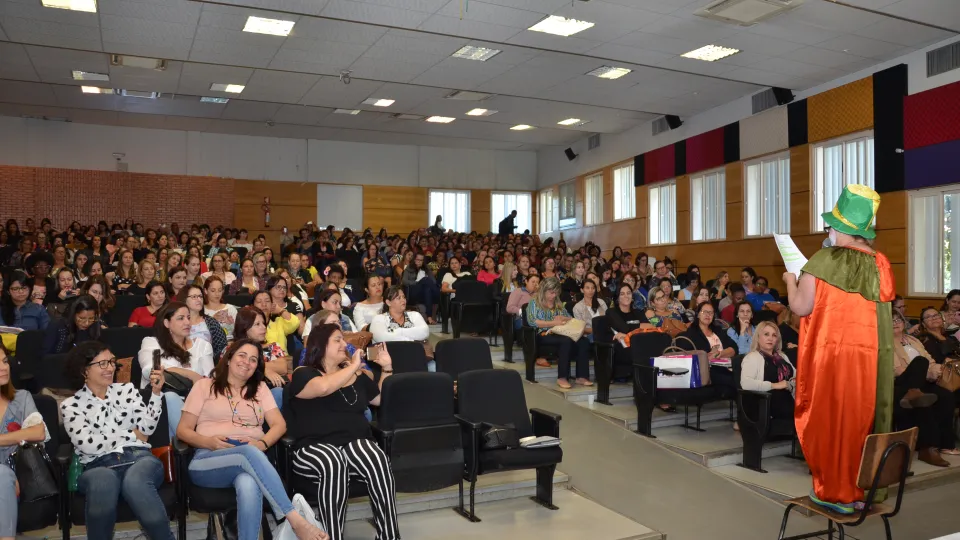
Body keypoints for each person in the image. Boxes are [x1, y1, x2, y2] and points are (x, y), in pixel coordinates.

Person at [783, 185, 895, 514]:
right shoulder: (880, 263)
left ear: (839, 227)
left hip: (832, 358)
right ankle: (861, 490)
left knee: (831, 422)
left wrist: (790, 280)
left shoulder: (824, 260)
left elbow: (801, 307)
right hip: (869, 361)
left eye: (829, 225)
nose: (827, 231)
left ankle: (835, 492)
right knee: (861, 422)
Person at [175, 339, 328, 540]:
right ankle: (295, 520)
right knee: (248, 453)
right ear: (228, 358)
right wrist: (209, 442)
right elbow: (183, 430)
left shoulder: (260, 389)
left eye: (253, 359)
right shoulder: (204, 386)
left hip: (250, 457)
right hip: (208, 458)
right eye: (242, 355)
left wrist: (262, 444)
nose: (247, 362)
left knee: (248, 483)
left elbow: (279, 424)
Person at [287, 324, 399, 540]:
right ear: (321, 345)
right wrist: (354, 366)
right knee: (333, 460)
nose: (344, 344)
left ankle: (389, 536)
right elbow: (323, 388)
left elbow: (380, 399)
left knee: (376, 456)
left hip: (352, 444)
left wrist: (386, 369)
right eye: (337, 340)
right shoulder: (304, 373)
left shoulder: (356, 375)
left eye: (343, 340)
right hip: (312, 447)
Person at [61, 341, 173, 540]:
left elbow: (145, 430)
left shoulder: (127, 390)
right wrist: (130, 435)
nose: (110, 368)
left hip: (139, 458)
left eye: (112, 362)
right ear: (84, 370)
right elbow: (88, 445)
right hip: (98, 465)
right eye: (102, 363)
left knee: (136, 481)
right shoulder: (71, 406)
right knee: (103, 481)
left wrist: (155, 394)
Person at [138, 302, 215, 438]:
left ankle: (189, 443)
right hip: (159, 402)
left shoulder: (202, 346)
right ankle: (191, 441)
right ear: (166, 323)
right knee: (170, 397)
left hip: (196, 403)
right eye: (181, 318)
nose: (187, 322)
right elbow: (151, 370)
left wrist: (172, 370)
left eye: (188, 317)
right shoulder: (152, 343)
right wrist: (189, 374)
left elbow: (210, 380)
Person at [892, 312, 956, 466]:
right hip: (900, 383)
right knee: (920, 362)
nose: (895, 323)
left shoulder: (913, 340)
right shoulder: (885, 342)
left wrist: (935, 370)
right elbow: (896, 370)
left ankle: (945, 444)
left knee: (945, 395)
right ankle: (928, 448)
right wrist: (925, 372)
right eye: (891, 320)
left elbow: (930, 361)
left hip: (922, 382)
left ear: (903, 322)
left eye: (898, 319)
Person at [0, 341, 49, 540]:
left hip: (17, 475)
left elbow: (38, 432)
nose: (3, 367)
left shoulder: (21, 398)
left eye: (5, 361)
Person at [526, 277, 591, 389]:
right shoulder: (534, 302)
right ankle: (562, 377)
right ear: (543, 290)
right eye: (551, 293)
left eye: (556, 293)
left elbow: (569, 318)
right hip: (542, 334)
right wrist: (553, 323)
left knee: (583, 341)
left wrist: (565, 318)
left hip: (560, 333)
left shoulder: (558, 303)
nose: (554, 296)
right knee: (566, 341)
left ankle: (581, 376)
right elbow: (533, 321)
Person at [740, 321, 796, 422]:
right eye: (766, 334)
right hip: (766, 401)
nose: (770, 338)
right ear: (758, 337)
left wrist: (792, 382)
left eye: (774, 335)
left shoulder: (782, 356)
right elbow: (746, 383)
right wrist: (775, 385)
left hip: (789, 397)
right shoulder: (752, 357)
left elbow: (796, 375)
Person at [233, 306, 289, 404]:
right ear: (245, 328)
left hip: (268, 393)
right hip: (239, 394)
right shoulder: (233, 350)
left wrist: (260, 368)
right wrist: (263, 370)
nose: (263, 327)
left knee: (278, 392)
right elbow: (232, 371)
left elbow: (283, 367)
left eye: (263, 323)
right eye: (257, 324)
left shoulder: (272, 347)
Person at [606, 283, 651, 379]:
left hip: (639, 343)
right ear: (617, 297)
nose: (626, 296)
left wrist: (628, 333)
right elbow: (625, 328)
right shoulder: (612, 312)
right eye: (622, 294)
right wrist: (640, 327)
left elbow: (650, 327)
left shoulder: (638, 312)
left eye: (628, 293)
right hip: (622, 347)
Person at [176, 285, 228, 361]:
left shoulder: (211, 322)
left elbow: (222, 348)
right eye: (194, 297)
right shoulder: (176, 322)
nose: (199, 299)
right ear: (184, 299)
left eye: (200, 296)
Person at [204, 276, 237, 340]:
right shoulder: (201, 310)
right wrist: (212, 320)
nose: (217, 294)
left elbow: (239, 331)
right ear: (205, 291)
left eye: (220, 290)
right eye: (213, 290)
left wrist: (231, 323)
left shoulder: (231, 308)